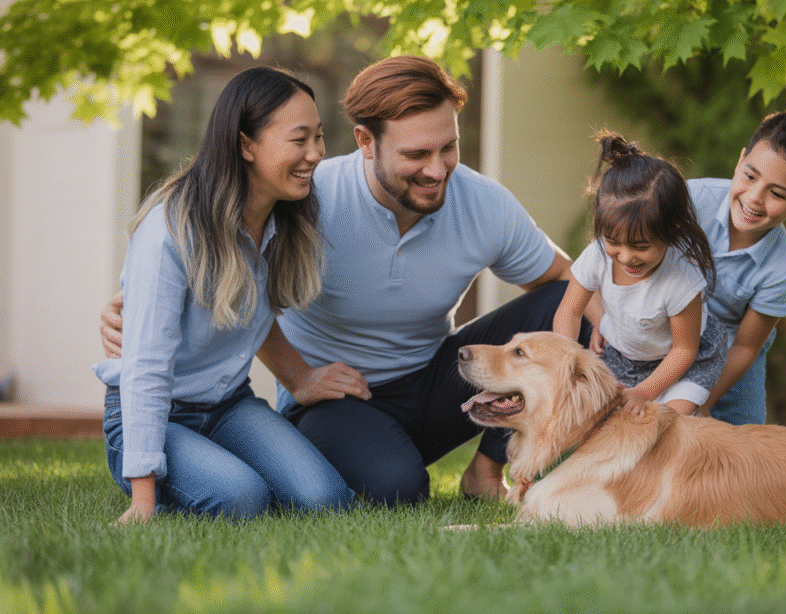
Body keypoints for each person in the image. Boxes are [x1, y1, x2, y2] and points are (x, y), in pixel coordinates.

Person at [101, 56, 596, 506]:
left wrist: (629, 360)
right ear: (365, 142)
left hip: (431, 379)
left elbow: (570, 279)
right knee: (390, 490)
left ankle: (485, 472)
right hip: (337, 398)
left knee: (565, 300)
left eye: (449, 147)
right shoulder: (304, 197)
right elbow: (219, 267)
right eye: (416, 153)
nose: (437, 169)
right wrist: (141, 300)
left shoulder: (482, 202)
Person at [93, 67, 355, 523]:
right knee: (240, 499)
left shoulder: (283, 216)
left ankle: (216, 463)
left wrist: (302, 379)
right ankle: (173, 472)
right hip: (154, 414)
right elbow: (146, 367)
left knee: (324, 499)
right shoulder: (170, 230)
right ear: (246, 145)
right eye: (299, 139)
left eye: (318, 137)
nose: (315, 153)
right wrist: (143, 500)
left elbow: (251, 312)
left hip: (228, 405)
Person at [553, 132, 727, 417]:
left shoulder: (681, 279)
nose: (626, 257)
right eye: (613, 242)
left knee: (668, 425)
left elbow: (684, 350)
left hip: (685, 358)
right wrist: (567, 362)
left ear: (672, 231)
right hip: (626, 354)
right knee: (604, 419)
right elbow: (569, 311)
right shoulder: (598, 254)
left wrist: (644, 393)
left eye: (641, 247)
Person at [691, 111, 786, 425]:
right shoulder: (689, 200)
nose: (755, 198)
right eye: (750, 176)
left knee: (743, 437)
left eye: (777, 193)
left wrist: (701, 403)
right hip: (665, 326)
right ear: (740, 161)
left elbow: (746, 346)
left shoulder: (782, 272)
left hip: (730, 351)